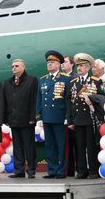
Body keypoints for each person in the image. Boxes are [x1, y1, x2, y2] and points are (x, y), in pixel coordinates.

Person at [67, 53, 105, 179]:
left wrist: (92, 98)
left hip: (90, 119)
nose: (79, 68)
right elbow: (69, 103)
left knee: (91, 146)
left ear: (88, 67)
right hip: (78, 119)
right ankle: (82, 171)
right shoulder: (73, 83)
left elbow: (103, 98)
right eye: (78, 66)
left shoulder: (95, 81)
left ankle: (93, 171)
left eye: (82, 66)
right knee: (79, 146)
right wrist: (70, 121)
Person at [36, 50, 71, 179]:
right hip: (47, 117)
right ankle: (52, 170)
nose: (49, 65)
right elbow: (39, 99)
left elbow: (68, 100)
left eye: (52, 62)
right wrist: (39, 117)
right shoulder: (43, 80)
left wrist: (67, 117)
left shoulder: (66, 79)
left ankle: (61, 171)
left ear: (59, 64)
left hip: (60, 117)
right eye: (48, 63)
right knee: (49, 145)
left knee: (61, 145)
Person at [4, 59, 38, 179]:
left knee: (29, 146)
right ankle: (19, 170)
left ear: (23, 67)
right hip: (14, 120)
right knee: (17, 147)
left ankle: (31, 170)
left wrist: (33, 117)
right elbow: (6, 102)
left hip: (27, 120)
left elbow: (34, 100)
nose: (14, 68)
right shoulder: (8, 82)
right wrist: (6, 118)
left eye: (16, 66)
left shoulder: (32, 80)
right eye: (12, 66)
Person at [62, 55, 78, 177]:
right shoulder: (61, 78)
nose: (63, 64)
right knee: (67, 145)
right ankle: (70, 170)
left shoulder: (75, 77)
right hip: (63, 116)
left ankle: (79, 169)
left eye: (66, 62)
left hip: (74, 116)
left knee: (77, 144)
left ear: (72, 64)